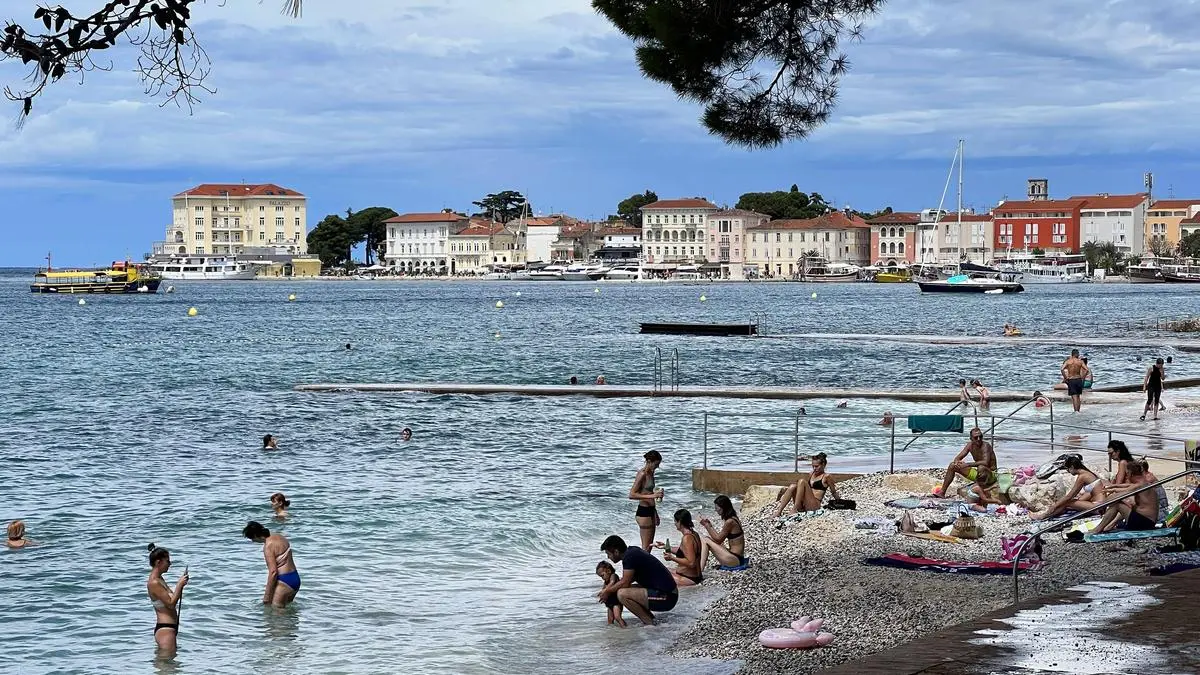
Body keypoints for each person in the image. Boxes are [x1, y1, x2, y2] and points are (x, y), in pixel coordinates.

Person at [598, 535, 678, 625]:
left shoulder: (629, 557)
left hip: (667, 597)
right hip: (667, 593)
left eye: (608, 554)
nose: (608, 557)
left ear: (616, 552)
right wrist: (609, 590)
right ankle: (652, 620)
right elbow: (628, 580)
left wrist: (607, 591)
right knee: (621, 590)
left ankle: (649, 623)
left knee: (622, 594)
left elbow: (625, 582)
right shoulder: (632, 552)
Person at [242, 521, 300, 607]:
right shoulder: (280, 536)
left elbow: (273, 572)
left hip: (284, 581)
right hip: (295, 578)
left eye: (251, 539)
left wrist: (267, 596)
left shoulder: (268, 546)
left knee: (276, 615)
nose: (253, 541)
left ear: (255, 536)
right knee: (287, 614)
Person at [1030, 456, 1104, 520]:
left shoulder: (1082, 476)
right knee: (1069, 502)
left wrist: (1055, 506)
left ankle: (1043, 516)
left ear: (1072, 467)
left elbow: (1070, 496)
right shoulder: (1088, 473)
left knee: (1066, 503)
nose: (1068, 471)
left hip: (1097, 506)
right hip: (1101, 505)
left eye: (1067, 469)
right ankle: (1047, 514)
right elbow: (1091, 493)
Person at [146, 543, 188, 654]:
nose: (170, 564)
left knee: (169, 667)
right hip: (165, 629)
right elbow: (170, 604)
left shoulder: (159, 579)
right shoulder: (154, 582)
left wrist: (181, 585)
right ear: (158, 562)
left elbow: (171, 599)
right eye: (168, 561)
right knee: (167, 667)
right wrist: (179, 585)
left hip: (169, 628)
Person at [772, 453, 841, 517]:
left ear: (823, 465)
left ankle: (795, 509)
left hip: (814, 505)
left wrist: (840, 501)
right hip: (804, 503)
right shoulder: (811, 474)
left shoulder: (826, 476)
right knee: (793, 486)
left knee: (802, 481)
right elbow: (804, 489)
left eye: (816, 466)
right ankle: (779, 511)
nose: (814, 468)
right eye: (813, 466)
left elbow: (833, 492)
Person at [934, 428, 996, 497]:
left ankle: (982, 491)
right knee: (952, 465)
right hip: (978, 474)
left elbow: (985, 462)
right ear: (971, 438)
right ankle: (942, 493)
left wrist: (967, 464)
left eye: (980, 436)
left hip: (990, 474)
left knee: (981, 467)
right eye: (976, 437)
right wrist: (957, 463)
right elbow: (957, 458)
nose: (979, 439)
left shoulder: (986, 446)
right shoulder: (970, 445)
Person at [1098, 462, 1158, 532]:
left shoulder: (1138, 486)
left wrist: (1101, 507)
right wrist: (1113, 487)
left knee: (1118, 504)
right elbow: (1127, 486)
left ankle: (1097, 529)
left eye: (1127, 474)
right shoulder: (1144, 483)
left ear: (1131, 473)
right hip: (1149, 522)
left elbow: (1115, 497)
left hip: (1144, 523)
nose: (1126, 476)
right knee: (1129, 504)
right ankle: (1110, 525)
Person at [654, 509, 703, 586]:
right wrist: (666, 547)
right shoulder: (694, 534)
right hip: (693, 576)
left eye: (675, 521)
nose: (675, 524)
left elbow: (691, 563)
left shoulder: (687, 538)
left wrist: (672, 558)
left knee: (653, 574)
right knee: (657, 567)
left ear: (680, 522)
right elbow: (685, 551)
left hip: (689, 579)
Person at [629, 450, 664, 551]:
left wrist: (655, 512)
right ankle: (639, 566)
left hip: (650, 510)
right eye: (656, 464)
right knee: (646, 547)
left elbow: (647, 492)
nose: (657, 467)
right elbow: (632, 494)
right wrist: (653, 496)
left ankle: (644, 566)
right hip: (643, 512)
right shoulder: (642, 474)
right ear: (649, 461)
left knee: (649, 547)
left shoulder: (651, 473)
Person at [698, 495, 746, 569]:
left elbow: (718, 539)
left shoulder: (730, 522)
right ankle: (699, 566)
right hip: (736, 557)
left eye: (717, 508)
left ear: (723, 508)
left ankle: (700, 570)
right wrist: (710, 526)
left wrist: (706, 526)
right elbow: (719, 539)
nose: (716, 510)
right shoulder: (734, 518)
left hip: (735, 559)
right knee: (707, 539)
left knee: (705, 540)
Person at [594, 561, 626, 627]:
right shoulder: (605, 581)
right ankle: (611, 632)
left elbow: (612, 583)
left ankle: (625, 628)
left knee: (617, 617)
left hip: (616, 602)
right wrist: (602, 596)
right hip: (609, 603)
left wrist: (605, 590)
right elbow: (604, 589)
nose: (602, 578)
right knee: (610, 620)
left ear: (608, 571)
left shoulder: (613, 576)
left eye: (602, 575)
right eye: (600, 577)